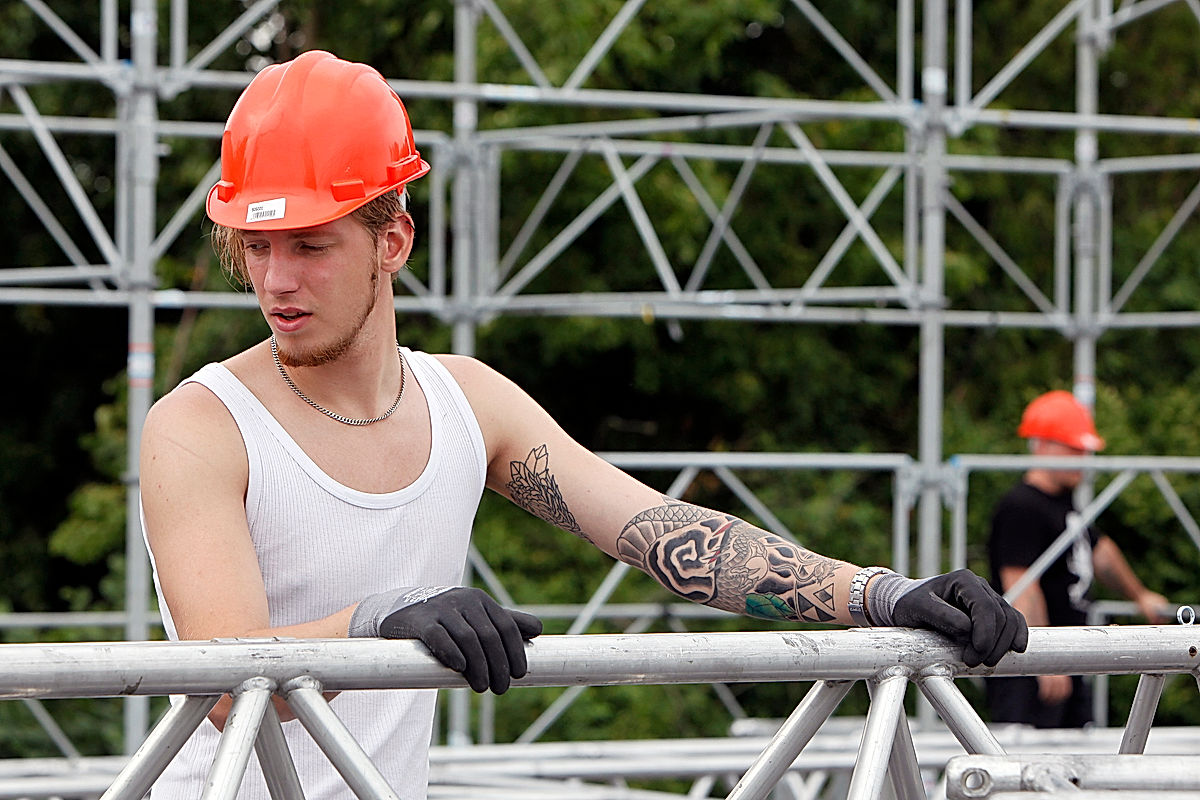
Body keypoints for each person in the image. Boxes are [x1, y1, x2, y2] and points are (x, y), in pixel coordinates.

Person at [139, 49, 1028, 799]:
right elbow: (225, 676)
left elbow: (659, 533)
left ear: (393, 240)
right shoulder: (202, 425)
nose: (276, 281)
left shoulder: (466, 400)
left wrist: (880, 596)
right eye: (256, 246)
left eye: (310, 243)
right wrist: (382, 617)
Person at [986, 389, 1168, 729]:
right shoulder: (1021, 507)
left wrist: (1139, 595)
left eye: (1084, 449)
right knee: (1026, 766)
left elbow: (1101, 554)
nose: (1083, 458)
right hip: (1033, 668)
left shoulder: (1065, 503)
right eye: (1073, 448)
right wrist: (1042, 660)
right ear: (1042, 446)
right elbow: (1020, 586)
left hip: (1066, 658)